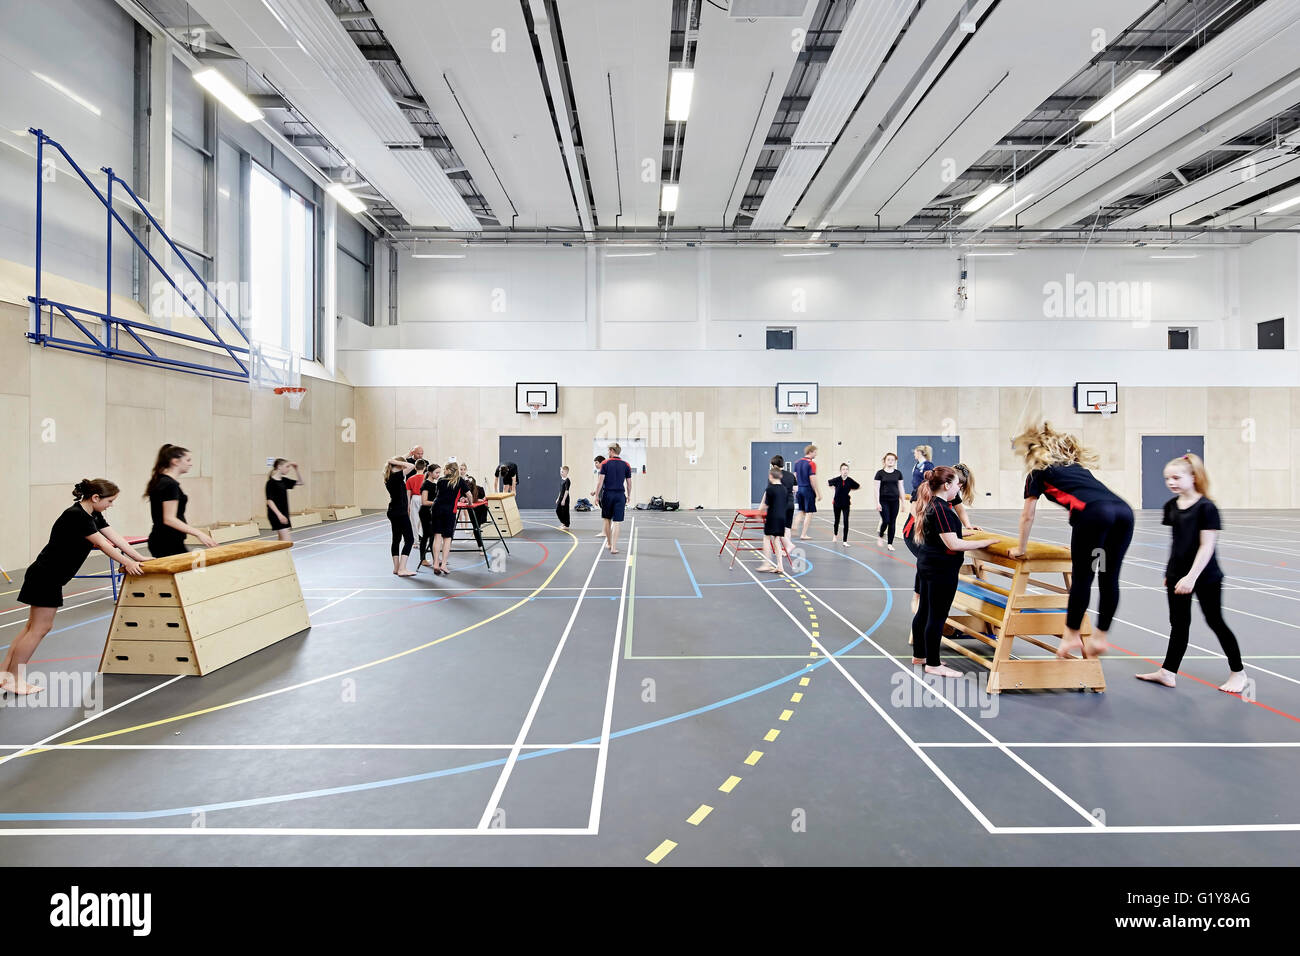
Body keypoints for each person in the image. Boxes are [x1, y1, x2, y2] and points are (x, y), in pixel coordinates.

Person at [1, 479, 147, 695]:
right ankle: (14, 679)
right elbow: (105, 545)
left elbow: (114, 537)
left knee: (32, 627)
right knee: (40, 628)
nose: (111, 505)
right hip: (47, 577)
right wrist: (127, 563)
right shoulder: (77, 515)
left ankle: (4, 673)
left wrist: (140, 557)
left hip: (45, 575)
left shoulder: (91, 514)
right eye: (110, 501)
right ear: (95, 498)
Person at [1011, 422, 1133, 659]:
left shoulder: (1037, 473)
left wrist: (1021, 548)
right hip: (1123, 513)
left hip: (1095, 515)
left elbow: (1028, 515)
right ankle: (1100, 637)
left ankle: (1070, 637)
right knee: (1108, 576)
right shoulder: (1076, 468)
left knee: (1083, 578)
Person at [1137, 454, 1247, 694]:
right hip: (1178, 575)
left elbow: (1206, 546)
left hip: (1206, 577)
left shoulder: (1207, 507)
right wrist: (1171, 573)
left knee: (1215, 621)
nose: (1171, 482)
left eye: (1177, 477)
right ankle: (1168, 672)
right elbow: (1177, 543)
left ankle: (1238, 673)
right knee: (1178, 625)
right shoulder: (1171, 506)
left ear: (1194, 477)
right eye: (1167, 478)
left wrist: (1191, 577)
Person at [909, 467, 987, 677]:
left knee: (924, 610)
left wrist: (966, 530)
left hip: (928, 564)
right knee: (937, 615)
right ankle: (933, 664)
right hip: (940, 569)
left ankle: (921, 655)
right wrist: (986, 542)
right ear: (946, 486)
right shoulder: (941, 508)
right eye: (956, 485)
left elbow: (946, 533)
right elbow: (952, 544)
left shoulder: (933, 504)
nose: (958, 488)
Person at [902, 463, 981, 615]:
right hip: (915, 531)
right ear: (949, 480)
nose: (958, 487)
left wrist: (968, 526)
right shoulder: (926, 487)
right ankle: (917, 596)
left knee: (938, 558)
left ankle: (932, 599)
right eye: (958, 483)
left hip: (933, 531)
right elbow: (914, 511)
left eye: (961, 485)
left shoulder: (952, 491)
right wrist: (942, 530)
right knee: (925, 557)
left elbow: (960, 509)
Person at [145, 444, 216, 557]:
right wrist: (199, 533)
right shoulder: (169, 485)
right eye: (187, 460)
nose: (190, 463)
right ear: (175, 461)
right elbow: (169, 519)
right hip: (166, 541)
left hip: (168, 540)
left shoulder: (164, 481)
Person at [430, 462, 471, 575]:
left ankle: (435, 563)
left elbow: (439, 494)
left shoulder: (441, 480)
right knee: (447, 538)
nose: (443, 471)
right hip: (449, 511)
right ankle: (443, 564)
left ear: (448, 470)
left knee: (437, 536)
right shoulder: (459, 480)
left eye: (444, 469)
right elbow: (469, 495)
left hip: (436, 508)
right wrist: (470, 503)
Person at [593, 443, 633, 555]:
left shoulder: (605, 463)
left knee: (607, 520)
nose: (607, 453)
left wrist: (596, 496)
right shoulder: (626, 465)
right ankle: (614, 547)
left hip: (608, 495)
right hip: (620, 496)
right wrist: (629, 495)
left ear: (611, 450)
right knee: (617, 523)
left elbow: (600, 482)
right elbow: (629, 484)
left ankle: (609, 543)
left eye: (608, 451)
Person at [384, 455, 417, 576]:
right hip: (399, 512)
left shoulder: (390, 477)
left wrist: (397, 461)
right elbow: (412, 465)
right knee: (409, 539)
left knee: (396, 539)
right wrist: (396, 461)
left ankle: (396, 568)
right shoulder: (396, 476)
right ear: (398, 465)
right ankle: (402, 568)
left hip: (394, 511)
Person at [757, 467, 789, 573]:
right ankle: (780, 566)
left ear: (771, 476)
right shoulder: (784, 489)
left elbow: (765, 505)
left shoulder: (770, 489)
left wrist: (759, 513)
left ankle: (766, 563)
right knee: (776, 540)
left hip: (772, 517)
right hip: (782, 518)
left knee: (766, 538)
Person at [265, 458, 303, 542]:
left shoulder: (284, 481)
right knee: (286, 541)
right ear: (279, 467)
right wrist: (279, 515)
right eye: (287, 466)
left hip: (284, 513)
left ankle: (274, 554)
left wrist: (296, 469)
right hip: (276, 514)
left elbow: (300, 482)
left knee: (282, 541)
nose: (288, 469)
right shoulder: (271, 483)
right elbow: (269, 501)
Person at [873, 452, 906, 549]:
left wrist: (903, 502)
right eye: (889, 459)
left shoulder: (898, 473)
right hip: (883, 500)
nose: (891, 461)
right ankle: (880, 535)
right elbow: (876, 489)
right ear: (885, 461)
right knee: (886, 520)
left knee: (892, 522)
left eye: (893, 460)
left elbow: (901, 488)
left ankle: (890, 544)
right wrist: (877, 502)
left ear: (895, 461)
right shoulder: (880, 473)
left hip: (895, 501)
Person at [827, 463, 860, 547]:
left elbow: (858, 486)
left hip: (846, 503)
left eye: (846, 469)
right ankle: (835, 535)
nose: (845, 471)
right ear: (840, 471)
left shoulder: (850, 480)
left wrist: (849, 490)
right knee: (837, 520)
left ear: (848, 471)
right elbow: (828, 483)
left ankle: (845, 541)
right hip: (837, 503)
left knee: (846, 521)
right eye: (843, 469)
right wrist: (833, 489)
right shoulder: (837, 479)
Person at [792, 445, 822, 541]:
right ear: (811, 452)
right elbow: (812, 479)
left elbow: (795, 476)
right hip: (808, 489)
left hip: (800, 489)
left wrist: (797, 487)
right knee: (809, 513)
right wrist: (818, 492)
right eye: (815, 452)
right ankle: (803, 534)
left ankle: (795, 525)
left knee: (801, 511)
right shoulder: (811, 464)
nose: (816, 454)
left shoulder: (797, 462)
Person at [405, 459, 428, 570]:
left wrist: (408, 505)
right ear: (424, 468)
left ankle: (415, 541)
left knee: (414, 519)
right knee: (424, 519)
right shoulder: (427, 478)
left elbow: (408, 494)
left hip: (414, 498)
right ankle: (424, 536)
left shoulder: (410, 478)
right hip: (424, 498)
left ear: (415, 467)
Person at [771, 454, 797, 556]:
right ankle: (787, 550)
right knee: (787, 528)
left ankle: (786, 546)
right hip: (791, 504)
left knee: (777, 528)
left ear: (774, 465)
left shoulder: (774, 475)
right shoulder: (791, 475)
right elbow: (796, 489)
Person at [417, 462, 441, 569]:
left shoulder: (435, 484)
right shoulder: (426, 484)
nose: (438, 475)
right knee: (426, 536)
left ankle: (435, 558)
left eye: (439, 473)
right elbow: (424, 501)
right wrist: (437, 503)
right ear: (430, 473)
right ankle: (422, 559)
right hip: (425, 512)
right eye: (436, 472)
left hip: (432, 512)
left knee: (432, 536)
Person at [591, 456, 607, 535]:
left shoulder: (604, 472)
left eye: (597, 463)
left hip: (604, 496)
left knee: (605, 515)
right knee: (605, 515)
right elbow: (600, 484)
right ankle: (605, 531)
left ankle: (605, 532)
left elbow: (601, 484)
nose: (595, 465)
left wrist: (596, 496)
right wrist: (595, 492)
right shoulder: (600, 472)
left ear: (602, 463)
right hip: (601, 495)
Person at [556, 465, 571, 529]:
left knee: (565, 511)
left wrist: (564, 500)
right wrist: (558, 498)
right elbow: (560, 490)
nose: (560, 473)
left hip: (565, 498)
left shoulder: (567, 480)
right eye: (560, 471)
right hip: (560, 497)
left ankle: (566, 525)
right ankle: (563, 522)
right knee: (558, 510)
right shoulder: (561, 480)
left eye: (562, 471)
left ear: (566, 472)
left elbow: (566, 491)